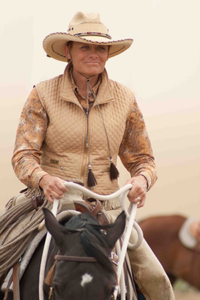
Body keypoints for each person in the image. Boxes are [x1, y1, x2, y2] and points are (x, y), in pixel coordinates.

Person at [11, 12, 174, 300]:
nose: (93, 54)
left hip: (108, 207)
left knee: (157, 280)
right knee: (3, 253)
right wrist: (43, 178)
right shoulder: (42, 94)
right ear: (68, 51)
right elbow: (24, 155)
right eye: (84, 47)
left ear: (108, 53)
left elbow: (144, 160)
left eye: (100, 48)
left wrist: (142, 180)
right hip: (50, 202)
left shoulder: (126, 99)